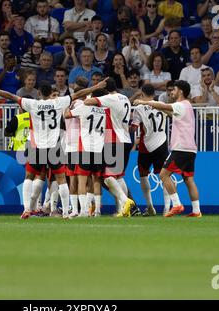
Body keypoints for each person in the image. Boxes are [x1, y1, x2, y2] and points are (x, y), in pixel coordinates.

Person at [0, 78, 108, 219]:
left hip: (37, 147)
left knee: (29, 177)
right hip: (54, 147)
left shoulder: (32, 103)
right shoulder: (58, 102)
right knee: (61, 179)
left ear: (39, 93)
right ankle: (65, 212)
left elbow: (9, 95)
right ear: (50, 93)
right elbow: (78, 94)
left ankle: (27, 209)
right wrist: (95, 86)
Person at [134, 80, 202, 218]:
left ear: (181, 91)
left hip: (181, 148)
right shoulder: (187, 106)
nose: (172, 92)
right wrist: (157, 107)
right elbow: (168, 111)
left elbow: (165, 106)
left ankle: (176, 204)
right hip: (191, 149)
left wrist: (144, 102)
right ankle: (196, 211)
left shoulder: (180, 105)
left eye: (174, 89)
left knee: (164, 175)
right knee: (189, 180)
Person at [84, 78, 135, 218]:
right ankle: (122, 210)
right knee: (118, 176)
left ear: (105, 88)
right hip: (126, 139)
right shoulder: (124, 97)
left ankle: (126, 201)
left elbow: (87, 102)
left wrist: (94, 90)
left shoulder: (109, 98)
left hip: (114, 140)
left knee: (107, 177)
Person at [64, 87, 107, 218]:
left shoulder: (83, 107)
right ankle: (97, 211)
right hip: (99, 148)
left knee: (81, 180)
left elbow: (67, 115)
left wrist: (66, 105)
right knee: (96, 179)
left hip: (85, 147)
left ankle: (82, 210)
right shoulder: (105, 111)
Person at [131, 84, 170, 216]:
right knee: (165, 176)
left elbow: (134, 127)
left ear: (142, 93)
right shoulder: (162, 105)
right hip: (162, 144)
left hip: (146, 147)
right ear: (154, 93)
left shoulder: (139, 108)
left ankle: (150, 207)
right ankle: (167, 208)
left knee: (143, 175)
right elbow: (172, 115)